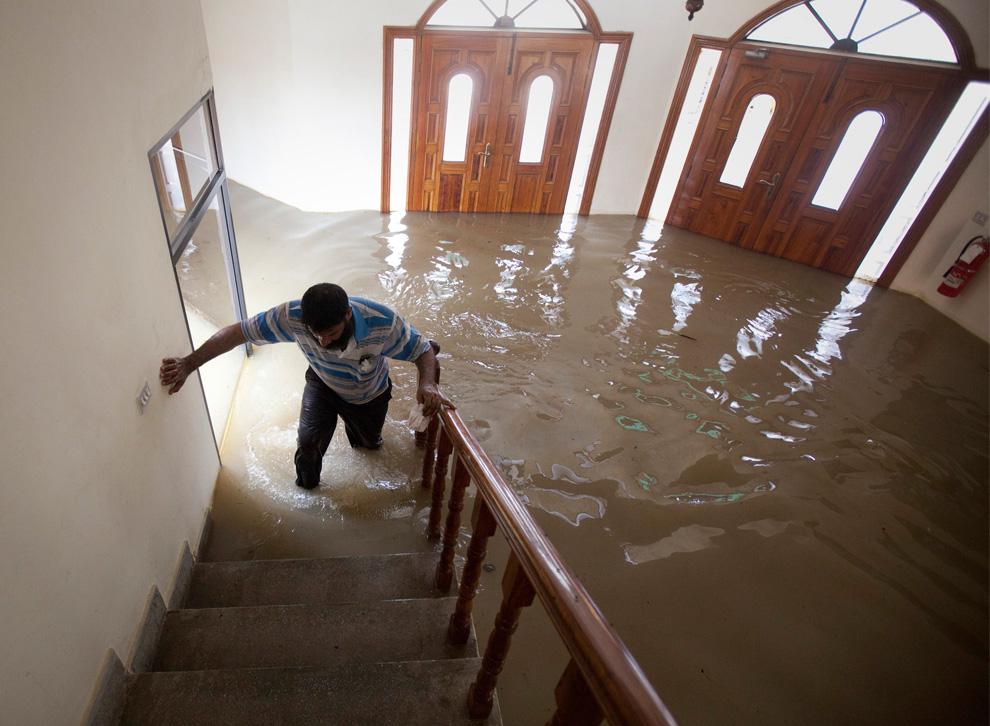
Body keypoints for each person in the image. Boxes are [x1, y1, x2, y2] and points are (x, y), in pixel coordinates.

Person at [159, 283, 450, 490]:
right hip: (322, 386)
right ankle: (308, 492)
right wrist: (189, 363)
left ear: (347, 314)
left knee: (368, 447)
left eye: (331, 333)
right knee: (308, 448)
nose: (322, 342)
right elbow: (238, 332)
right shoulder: (292, 316)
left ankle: (365, 440)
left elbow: (423, 350)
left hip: (368, 396)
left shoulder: (383, 323)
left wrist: (427, 384)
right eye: (316, 335)